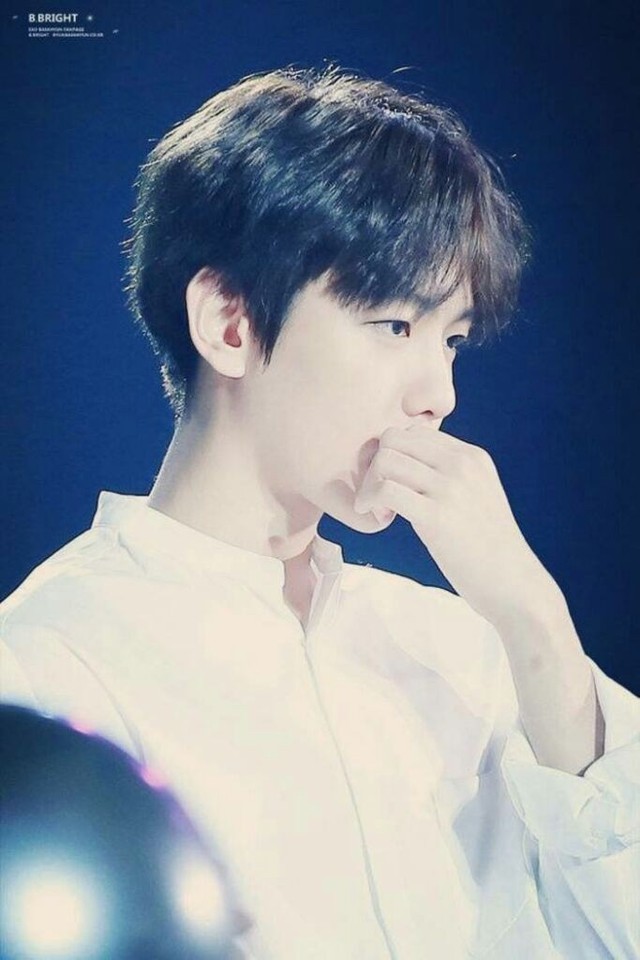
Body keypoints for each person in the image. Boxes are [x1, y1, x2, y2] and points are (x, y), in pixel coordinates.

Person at [1, 65, 638, 959]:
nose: (440, 394)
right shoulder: (47, 664)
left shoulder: (462, 646)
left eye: (453, 339)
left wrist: (535, 621)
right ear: (229, 323)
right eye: (395, 326)